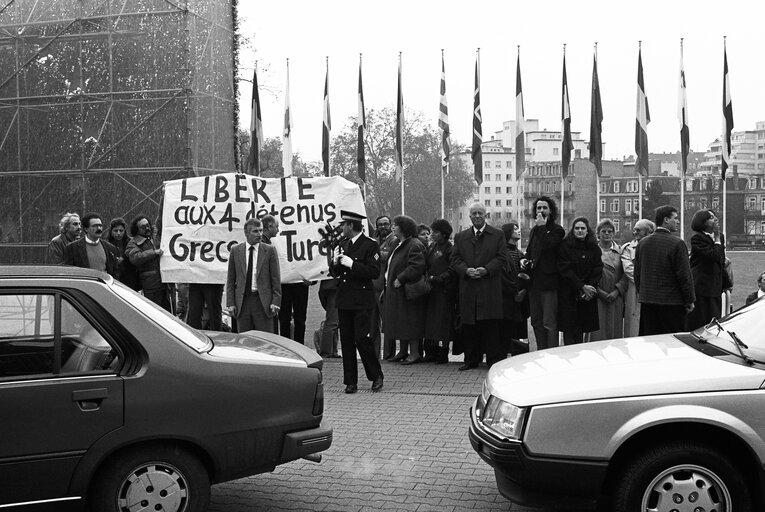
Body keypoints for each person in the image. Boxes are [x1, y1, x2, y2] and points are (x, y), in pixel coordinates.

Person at [329, 210, 384, 394]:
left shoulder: (369, 246)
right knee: (346, 341)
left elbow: (373, 272)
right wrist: (335, 262)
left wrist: (352, 264)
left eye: (344, 224)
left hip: (361, 299)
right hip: (345, 299)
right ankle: (350, 381)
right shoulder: (342, 244)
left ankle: (376, 375)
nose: (342, 228)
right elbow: (336, 273)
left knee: (362, 339)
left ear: (351, 226)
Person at [451, 203, 508, 370]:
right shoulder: (461, 237)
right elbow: (455, 259)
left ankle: (492, 360)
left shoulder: (497, 235)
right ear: (470, 216)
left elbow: (501, 258)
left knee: (490, 326)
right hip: (468, 287)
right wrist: (466, 270)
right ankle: (470, 360)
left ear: (485, 215)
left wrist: (486, 270)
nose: (477, 216)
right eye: (474, 213)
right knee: (469, 326)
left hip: (489, 286)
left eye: (480, 213)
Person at [634, 205, 695, 335]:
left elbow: (637, 275)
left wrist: (644, 293)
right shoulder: (677, 243)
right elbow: (684, 275)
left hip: (648, 302)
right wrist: (689, 299)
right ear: (666, 220)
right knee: (671, 343)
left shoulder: (642, 243)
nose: (678, 221)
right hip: (672, 304)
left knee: (649, 341)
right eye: (675, 218)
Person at [383, 215, 428, 365]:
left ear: (403, 228)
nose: (393, 227)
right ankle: (402, 351)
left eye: (395, 225)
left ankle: (414, 353)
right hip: (395, 290)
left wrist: (400, 278)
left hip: (407, 291)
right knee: (400, 322)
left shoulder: (415, 244)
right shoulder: (397, 242)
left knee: (411, 322)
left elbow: (417, 267)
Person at [523, 196, 565, 350]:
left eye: (544, 208)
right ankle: (540, 352)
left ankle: (552, 353)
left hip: (548, 283)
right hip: (534, 283)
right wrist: (525, 260)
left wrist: (541, 227)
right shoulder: (534, 230)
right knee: (536, 321)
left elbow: (548, 247)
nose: (541, 211)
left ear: (551, 210)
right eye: (538, 208)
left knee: (549, 322)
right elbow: (531, 252)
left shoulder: (557, 230)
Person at [226, 218, 281, 333]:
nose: (260, 234)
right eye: (255, 231)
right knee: (245, 341)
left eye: (261, 230)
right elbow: (231, 280)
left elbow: (275, 279)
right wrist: (230, 303)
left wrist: (276, 301)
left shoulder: (269, 250)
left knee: (265, 340)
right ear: (246, 233)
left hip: (263, 303)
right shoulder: (236, 250)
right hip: (243, 302)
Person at [556, 217, 603, 345]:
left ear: (588, 231)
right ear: (573, 230)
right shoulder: (565, 246)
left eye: (583, 228)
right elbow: (564, 269)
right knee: (569, 330)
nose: (580, 231)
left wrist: (590, 288)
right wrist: (582, 286)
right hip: (569, 294)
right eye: (577, 228)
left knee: (581, 330)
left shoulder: (594, 248)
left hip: (587, 295)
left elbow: (598, 268)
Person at [686, 209, 727, 330]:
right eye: (711, 217)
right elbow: (713, 256)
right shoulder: (697, 239)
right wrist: (718, 241)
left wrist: (727, 283)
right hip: (701, 288)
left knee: (714, 322)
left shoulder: (720, 237)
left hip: (715, 287)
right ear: (702, 222)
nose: (716, 219)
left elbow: (720, 262)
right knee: (700, 322)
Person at [423, 219, 455, 364]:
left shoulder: (450, 248)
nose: (432, 234)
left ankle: (443, 352)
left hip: (443, 291)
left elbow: (452, 269)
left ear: (444, 234)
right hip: (431, 290)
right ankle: (431, 351)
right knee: (431, 322)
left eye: (435, 232)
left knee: (443, 322)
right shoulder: (432, 246)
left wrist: (438, 278)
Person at [591, 219, 628, 341]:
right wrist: (598, 291)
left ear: (613, 233)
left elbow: (626, 274)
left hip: (615, 297)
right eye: (604, 231)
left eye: (610, 231)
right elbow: (587, 273)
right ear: (598, 233)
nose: (607, 233)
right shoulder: (592, 251)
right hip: (596, 296)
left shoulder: (621, 251)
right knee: (597, 333)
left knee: (614, 330)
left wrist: (617, 291)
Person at [126, 215, 171, 311]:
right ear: (136, 230)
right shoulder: (132, 243)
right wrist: (153, 252)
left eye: (148, 225)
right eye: (143, 227)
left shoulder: (156, 237)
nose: (147, 228)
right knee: (155, 311)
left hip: (166, 282)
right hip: (150, 284)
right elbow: (135, 258)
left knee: (169, 311)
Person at [621, 219, 655, 337]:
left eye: (638, 230)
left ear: (649, 232)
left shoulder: (656, 247)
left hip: (654, 292)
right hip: (635, 290)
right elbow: (628, 269)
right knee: (633, 326)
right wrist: (647, 281)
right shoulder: (628, 249)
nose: (634, 232)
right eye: (634, 229)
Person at [500, 221, 530, 354]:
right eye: (515, 229)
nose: (518, 231)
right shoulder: (504, 253)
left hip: (520, 297)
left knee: (520, 330)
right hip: (508, 297)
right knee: (508, 329)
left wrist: (524, 289)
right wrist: (515, 291)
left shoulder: (518, 252)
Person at [373, 215, 399, 360]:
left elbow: (389, 259)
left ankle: (388, 355)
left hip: (385, 287)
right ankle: (374, 354)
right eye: (380, 225)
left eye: (385, 224)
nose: (383, 227)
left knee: (387, 323)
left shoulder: (394, 241)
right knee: (372, 325)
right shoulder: (374, 240)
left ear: (390, 225)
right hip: (372, 286)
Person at [63, 212, 120, 278]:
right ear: (86, 229)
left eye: (100, 225)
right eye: (94, 226)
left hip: (104, 286)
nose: (99, 228)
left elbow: (115, 272)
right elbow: (69, 273)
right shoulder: (72, 248)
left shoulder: (110, 248)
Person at [260, 214, 282, 334]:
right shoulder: (266, 247)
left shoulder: (266, 245)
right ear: (269, 227)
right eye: (276, 226)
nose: (278, 230)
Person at [107, 217, 140, 290]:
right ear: (111, 231)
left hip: (131, 278)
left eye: (121, 230)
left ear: (125, 231)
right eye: (115, 231)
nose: (118, 233)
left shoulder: (132, 243)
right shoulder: (106, 245)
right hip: (114, 279)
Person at [317, 278, 341, 357]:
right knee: (332, 322)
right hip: (333, 287)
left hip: (330, 286)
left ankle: (332, 352)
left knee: (334, 322)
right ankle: (326, 353)